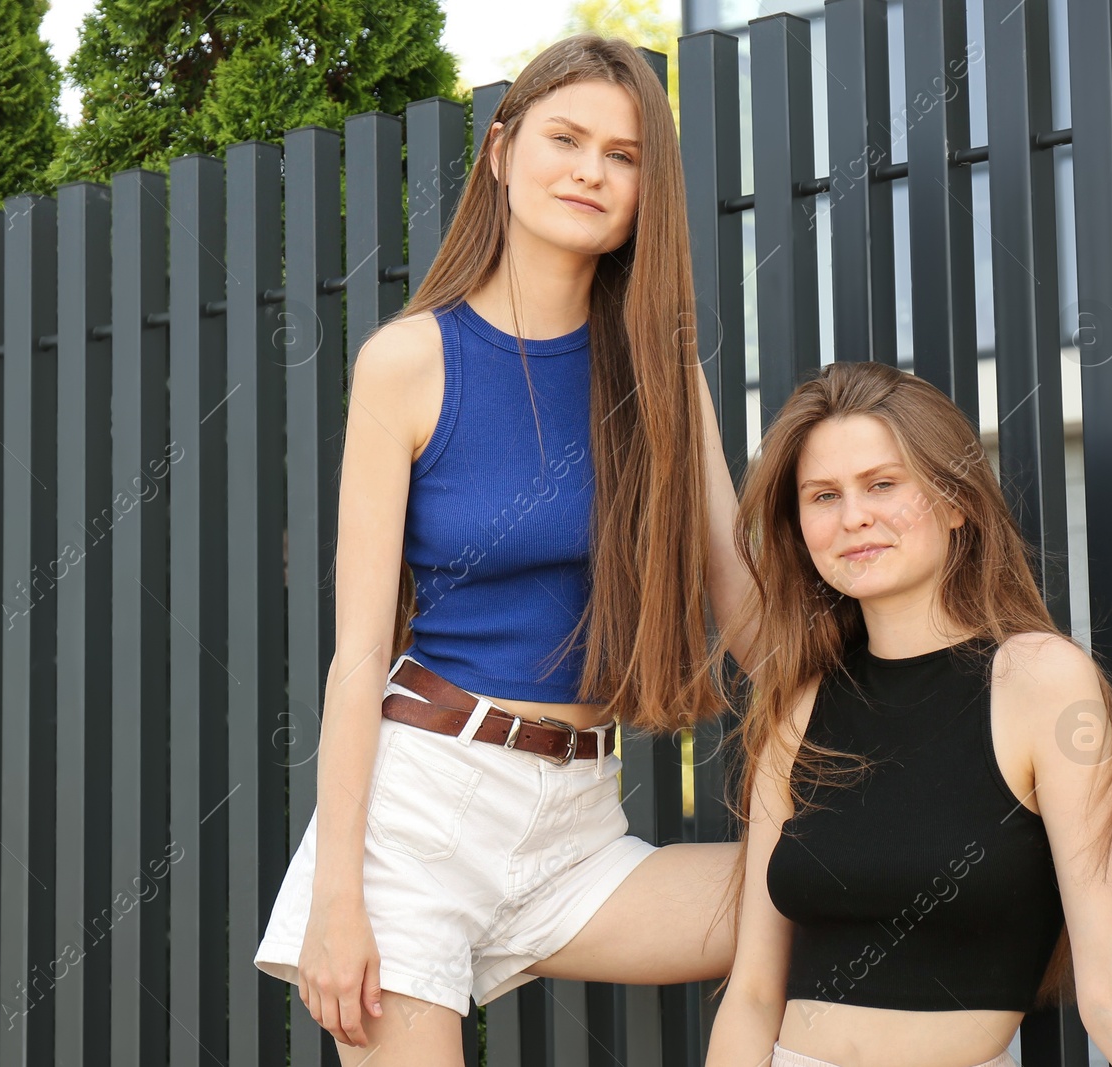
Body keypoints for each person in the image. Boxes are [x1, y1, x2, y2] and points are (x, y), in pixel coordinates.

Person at [254, 35, 755, 1065]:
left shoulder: (662, 369)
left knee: (841, 894)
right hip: (422, 813)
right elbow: (358, 657)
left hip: (579, 820)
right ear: (499, 152)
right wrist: (337, 897)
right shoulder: (408, 360)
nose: (590, 170)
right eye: (564, 138)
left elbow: (743, 601)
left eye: (624, 155)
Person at [704, 361, 1112, 1067]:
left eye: (882, 484)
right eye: (823, 495)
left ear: (956, 499)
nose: (853, 517)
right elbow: (753, 991)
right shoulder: (799, 702)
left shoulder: (1043, 682)